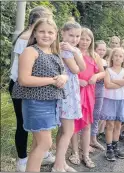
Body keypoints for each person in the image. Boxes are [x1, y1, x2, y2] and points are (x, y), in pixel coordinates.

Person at [12, 18, 68, 172]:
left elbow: (62, 73)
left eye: (50, 32)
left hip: (51, 103)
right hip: (35, 103)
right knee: (45, 144)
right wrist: (52, 80)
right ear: (35, 33)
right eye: (42, 31)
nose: (46, 35)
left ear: (56, 34)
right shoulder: (30, 51)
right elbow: (24, 79)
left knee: (38, 144)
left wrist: (64, 77)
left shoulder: (55, 52)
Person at [8, 6, 55, 172]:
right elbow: (25, 73)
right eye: (45, 20)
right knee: (23, 123)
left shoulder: (33, 39)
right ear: (35, 23)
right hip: (22, 85)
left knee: (34, 126)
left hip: (33, 86)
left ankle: (39, 154)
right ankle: (22, 159)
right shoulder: (26, 39)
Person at [53, 18, 86, 172]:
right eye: (71, 35)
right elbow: (77, 69)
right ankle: (58, 166)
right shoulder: (65, 49)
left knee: (63, 131)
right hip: (67, 93)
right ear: (63, 33)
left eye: (77, 36)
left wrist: (75, 51)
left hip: (70, 92)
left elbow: (83, 66)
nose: (75, 39)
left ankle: (61, 162)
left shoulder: (71, 50)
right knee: (67, 131)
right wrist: (75, 51)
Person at [69, 28, 105, 168]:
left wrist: (96, 76)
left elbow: (103, 73)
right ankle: (75, 153)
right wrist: (78, 81)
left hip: (89, 92)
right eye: (82, 39)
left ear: (91, 41)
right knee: (74, 123)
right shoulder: (72, 52)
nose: (84, 42)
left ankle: (86, 154)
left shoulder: (95, 55)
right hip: (74, 91)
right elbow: (66, 72)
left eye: (87, 39)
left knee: (87, 124)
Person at [99, 47, 124, 161]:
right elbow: (107, 85)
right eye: (116, 55)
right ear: (112, 57)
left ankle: (115, 146)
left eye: (120, 56)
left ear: (123, 59)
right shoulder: (108, 70)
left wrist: (114, 81)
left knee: (118, 125)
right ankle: (109, 148)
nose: (118, 58)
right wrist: (121, 83)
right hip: (110, 99)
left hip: (121, 100)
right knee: (110, 125)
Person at [90, 40, 108, 150]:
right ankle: (84, 140)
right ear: (95, 49)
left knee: (96, 115)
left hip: (100, 89)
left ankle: (93, 138)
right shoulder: (92, 59)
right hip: (91, 88)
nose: (101, 51)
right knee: (87, 114)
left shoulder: (106, 62)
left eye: (103, 50)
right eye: (99, 49)